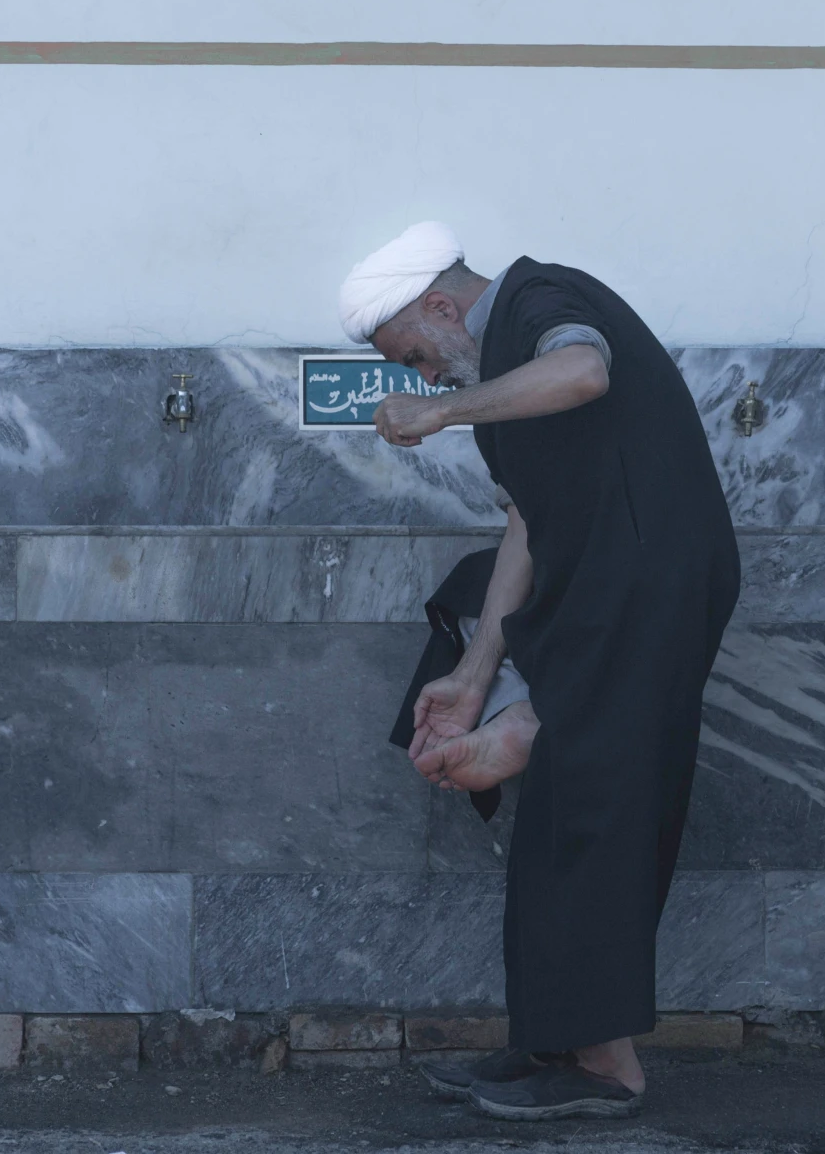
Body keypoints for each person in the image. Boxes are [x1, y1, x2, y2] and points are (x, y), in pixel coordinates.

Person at [336, 221, 740, 1121]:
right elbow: (526, 523)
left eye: (413, 353)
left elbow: (584, 370)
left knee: (597, 799)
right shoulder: (494, 380)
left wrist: (442, 412)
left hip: (650, 577)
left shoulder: (539, 297)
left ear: (442, 304)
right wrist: (478, 669)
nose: (422, 377)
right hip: (603, 581)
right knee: (565, 797)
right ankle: (557, 1039)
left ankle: (606, 1065)